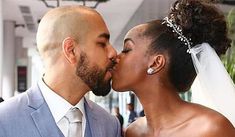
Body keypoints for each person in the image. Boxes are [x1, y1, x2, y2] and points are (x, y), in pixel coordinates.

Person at [112, 0, 235, 136]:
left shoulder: (211, 129)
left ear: (156, 63)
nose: (115, 57)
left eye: (126, 49)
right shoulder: (132, 131)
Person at [0, 6, 121, 137]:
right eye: (102, 43)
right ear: (71, 51)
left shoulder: (110, 125)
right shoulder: (4, 120)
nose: (113, 53)